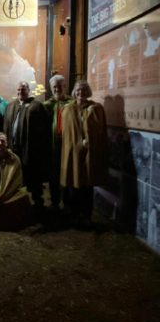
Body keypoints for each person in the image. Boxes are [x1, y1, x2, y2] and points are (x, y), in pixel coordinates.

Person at [60, 80, 108, 227]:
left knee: (88, 185)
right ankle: (75, 215)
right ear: (75, 92)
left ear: (88, 92)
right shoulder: (67, 109)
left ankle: (86, 215)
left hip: (89, 154)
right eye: (78, 90)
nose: (81, 93)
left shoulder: (96, 108)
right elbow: (65, 133)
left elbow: (100, 131)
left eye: (84, 90)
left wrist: (90, 141)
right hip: (72, 153)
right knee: (73, 185)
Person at [3, 81, 50, 210]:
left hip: (31, 150)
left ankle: (37, 204)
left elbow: (44, 130)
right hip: (14, 149)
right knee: (16, 178)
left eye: (23, 89)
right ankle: (17, 204)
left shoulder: (37, 106)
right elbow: (6, 127)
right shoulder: (11, 106)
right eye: (18, 89)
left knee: (33, 178)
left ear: (28, 90)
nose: (20, 92)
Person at [43, 75, 72, 209]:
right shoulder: (47, 105)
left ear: (64, 87)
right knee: (54, 174)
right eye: (54, 87)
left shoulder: (72, 103)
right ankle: (55, 201)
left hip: (68, 144)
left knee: (67, 173)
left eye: (59, 86)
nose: (57, 89)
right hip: (52, 145)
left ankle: (67, 202)